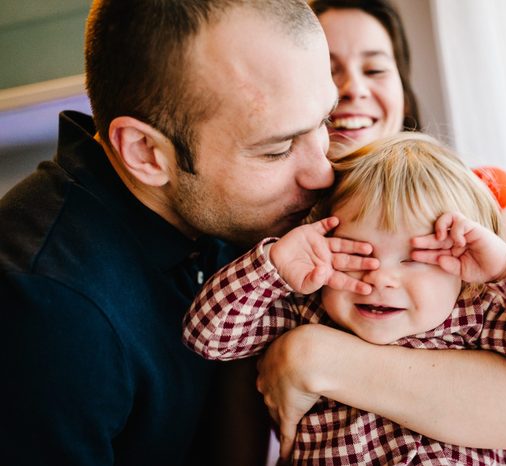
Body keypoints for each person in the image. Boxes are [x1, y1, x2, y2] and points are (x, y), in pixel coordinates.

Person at [0, 1, 340, 464]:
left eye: (324, 121)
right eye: (277, 150)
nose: (323, 172)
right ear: (145, 152)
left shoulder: (233, 213)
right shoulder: (45, 310)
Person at [184, 132, 506, 464]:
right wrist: (274, 267)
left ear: (464, 270)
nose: (381, 278)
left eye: (414, 259)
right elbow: (208, 337)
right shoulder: (307, 309)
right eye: (356, 254)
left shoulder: (482, 315)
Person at [309, 0, 506, 248]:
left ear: (404, 95)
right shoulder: (278, 226)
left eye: (374, 70)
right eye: (328, 71)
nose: (353, 88)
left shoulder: (489, 194)